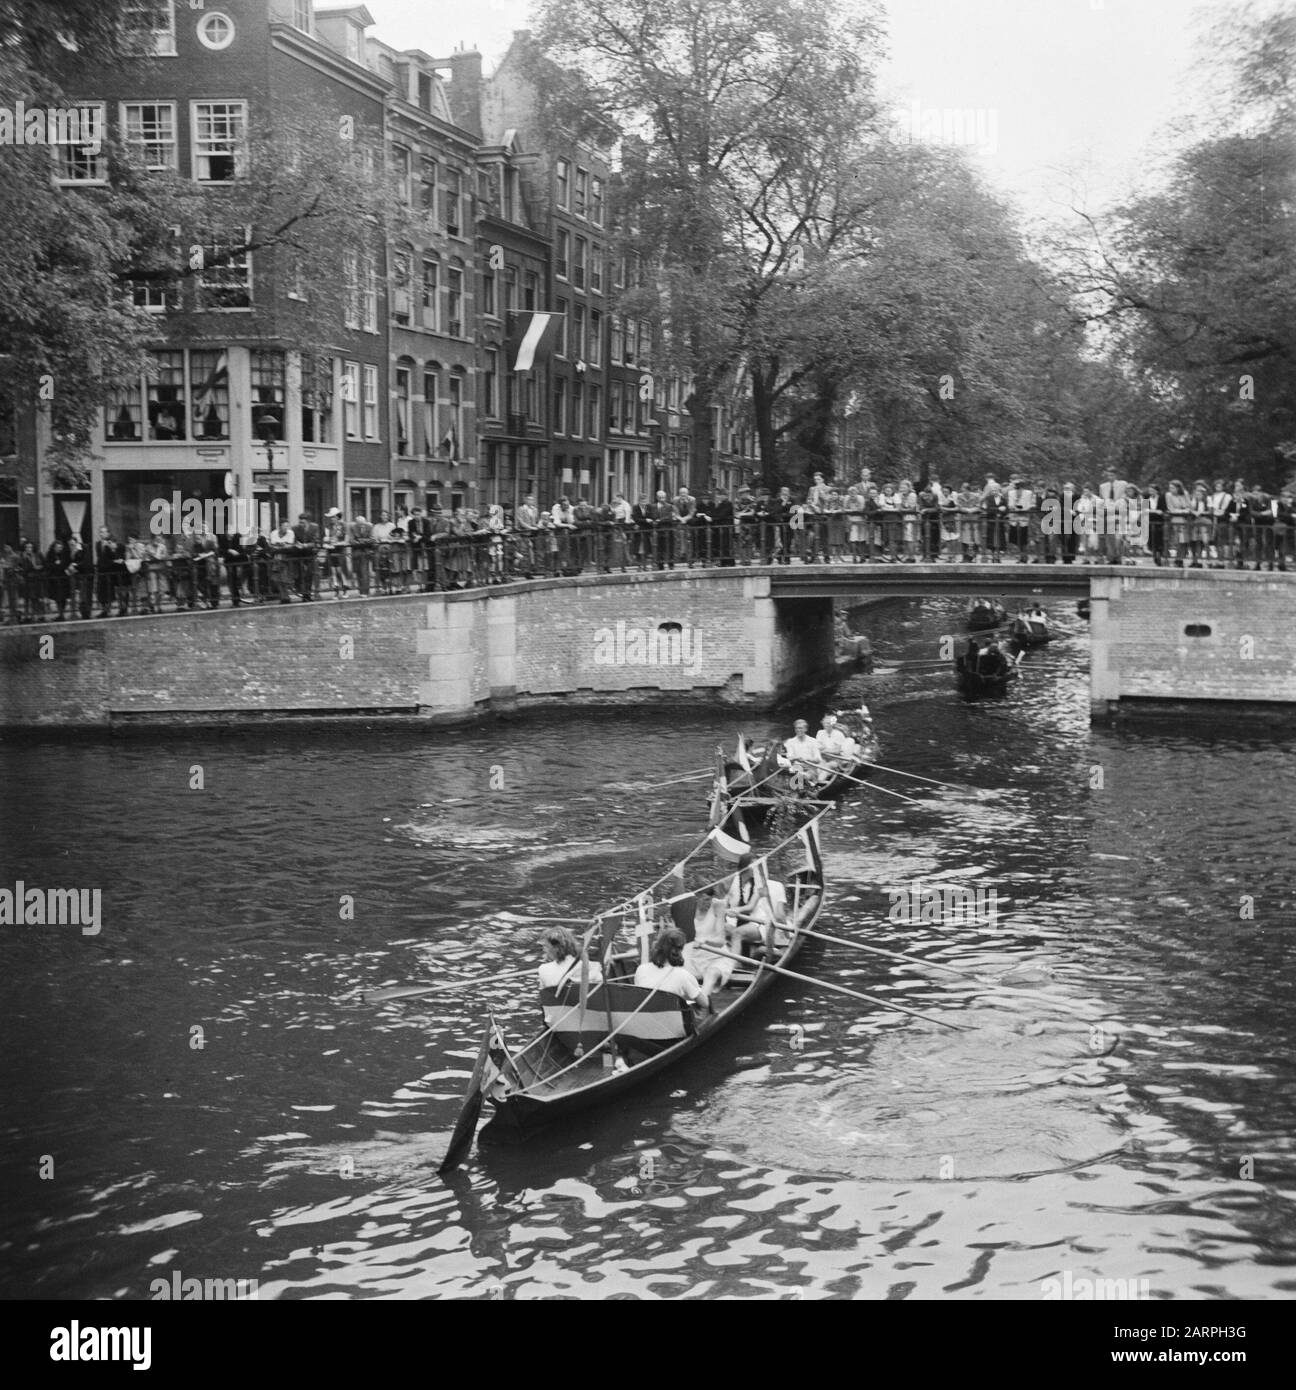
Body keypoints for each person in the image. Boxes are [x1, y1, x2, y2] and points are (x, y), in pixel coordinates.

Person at [635, 927, 709, 1013]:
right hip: (671, 1021)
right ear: (680, 951)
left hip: (645, 1018)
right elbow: (705, 1004)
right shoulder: (683, 975)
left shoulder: (641, 969)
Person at [684, 887, 737, 995]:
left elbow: (720, 941)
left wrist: (704, 941)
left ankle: (702, 1005)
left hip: (717, 956)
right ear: (696, 898)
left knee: (711, 973)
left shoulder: (718, 906)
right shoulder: (686, 908)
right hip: (694, 958)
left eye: (710, 899)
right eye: (705, 900)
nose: (709, 903)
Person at [537, 927, 604, 990]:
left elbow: (545, 995)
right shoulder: (591, 967)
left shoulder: (543, 970)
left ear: (556, 948)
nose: (543, 950)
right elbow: (600, 986)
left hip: (559, 1002)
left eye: (545, 946)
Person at [779, 718, 824, 789]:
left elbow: (818, 760)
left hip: (810, 769)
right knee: (796, 771)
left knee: (802, 775)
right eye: (796, 728)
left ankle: (800, 789)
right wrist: (796, 758)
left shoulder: (813, 741)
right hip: (796, 768)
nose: (798, 730)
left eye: (801, 728)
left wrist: (807, 759)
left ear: (805, 729)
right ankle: (798, 789)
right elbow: (789, 758)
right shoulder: (790, 742)